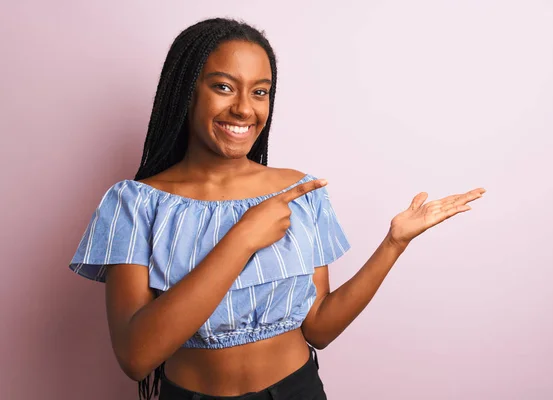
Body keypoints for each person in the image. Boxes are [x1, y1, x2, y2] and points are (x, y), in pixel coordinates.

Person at [69, 18, 485, 400]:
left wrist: (394, 243)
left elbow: (319, 327)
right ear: (186, 90)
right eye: (224, 86)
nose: (245, 110)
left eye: (260, 91)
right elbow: (136, 356)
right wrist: (242, 239)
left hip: (298, 391)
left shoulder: (299, 192)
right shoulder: (134, 204)